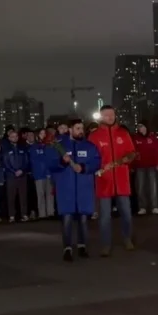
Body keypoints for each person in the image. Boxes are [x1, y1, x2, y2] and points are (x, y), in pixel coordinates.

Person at [48, 119, 100, 261]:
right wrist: (61, 162)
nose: (80, 131)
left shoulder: (89, 146)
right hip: (67, 189)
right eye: (77, 128)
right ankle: (67, 248)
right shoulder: (59, 145)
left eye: (82, 128)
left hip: (84, 188)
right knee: (67, 218)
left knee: (83, 219)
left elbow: (96, 162)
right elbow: (51, 164)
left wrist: (84, 168)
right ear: (70, 130)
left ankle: (82, 246)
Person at [87, 105, 136, 256]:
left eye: (112, 114)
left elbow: (132, 153)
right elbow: (91, 159)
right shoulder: (94, 136)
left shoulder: (123, 133)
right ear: (101, 117)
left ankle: (127, 238)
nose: (110, 117)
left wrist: (126, 159)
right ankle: (106, 244)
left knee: (126, 214)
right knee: (105, 217)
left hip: (121, 180)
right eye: (107, 115)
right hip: (104, 182)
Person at [133, 122, 158, 215]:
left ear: (146, 127)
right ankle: (142, 207)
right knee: (141, 187)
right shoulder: (135, 138)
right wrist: (132, 165)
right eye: (139, 127)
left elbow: (157, 151)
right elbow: (132, 152)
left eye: (142, 126)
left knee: (152, 187)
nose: (140, 128)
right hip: (140, 165)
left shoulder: (152, 137)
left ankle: (154, 206)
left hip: (151, 165)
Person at [2, 128, 30, 222]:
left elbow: (27, 161)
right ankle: (11, 215)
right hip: (11, 176)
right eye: (12, 136)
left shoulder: (23, 147)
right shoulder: (6, 149)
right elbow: (5, 163)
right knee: (11, 196)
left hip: (22, 175)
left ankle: (24, 214)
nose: (14, 138)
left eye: (16, 136)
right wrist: (14, 171)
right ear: (9, 138)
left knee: (23, 196)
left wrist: (22, 170)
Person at [27, 128, 55, 219]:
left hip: (49, 173)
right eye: (41, 133)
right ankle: (42, 213)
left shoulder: (49, 146)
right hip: (39, 174)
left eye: (44, 133)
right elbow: (34, 161)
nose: (43, 135)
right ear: (37, 135)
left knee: (50, 194)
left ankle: (50, 212)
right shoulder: (33, 147)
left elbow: (50, 160)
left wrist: (49, 171)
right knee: (40, 194)